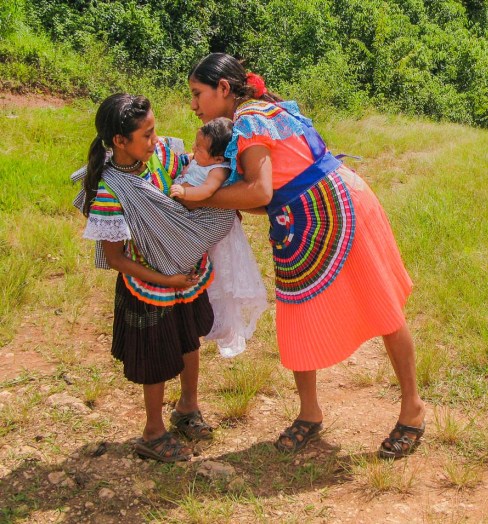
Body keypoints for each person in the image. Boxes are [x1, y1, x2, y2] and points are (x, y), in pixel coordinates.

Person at [184, 52, 426, 457]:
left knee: (382, 308)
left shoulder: (248, 120)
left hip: (336, 211)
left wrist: (199, 201)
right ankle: (309, 413)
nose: (193, 105)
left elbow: (260, 193)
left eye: (197, 93)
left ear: (223, 89)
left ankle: (413, 410)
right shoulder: (262, 111)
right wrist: (221, 200)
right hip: (308, 215)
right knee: (297, 313)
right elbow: (271, 195)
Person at [72, 94, 235, 462]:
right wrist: (166, 281)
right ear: (119, 141)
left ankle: (187, 408)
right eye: (146, 134)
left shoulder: (158, 155)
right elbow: (115, 258)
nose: (155, 139)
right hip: (149, 285)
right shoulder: (111, 190)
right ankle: (153, 432)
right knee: (158, 358)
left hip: (182, 272)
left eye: (154, 130)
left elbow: (199, 166)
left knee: (189, 341)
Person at [170, 117, 268, 358]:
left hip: (205, 219)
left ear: (217, 157)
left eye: (199, 148)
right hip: (190, 215)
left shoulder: (217, 170)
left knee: (218, 277)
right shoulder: (203, 161)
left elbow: (207, 192)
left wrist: (185, 192)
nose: (194, 149)